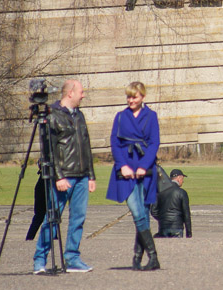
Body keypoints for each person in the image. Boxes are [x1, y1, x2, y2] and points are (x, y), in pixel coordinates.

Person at [34, 79, 97, 274]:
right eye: (81, 91)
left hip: (82, 176)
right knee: (52, 218)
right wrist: (59, 177)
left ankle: (72, 258)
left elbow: (86, 146)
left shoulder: (80, 116)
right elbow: (49, 150)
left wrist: (91, 175)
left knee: (78, 218)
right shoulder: (53, 116)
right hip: (64, 177)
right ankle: (39, 260)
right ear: (70, 93)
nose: (83, 95)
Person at [106, 81, 161, 271]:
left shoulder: (151, 116)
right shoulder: (120, 117)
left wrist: (144, 165)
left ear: (142, 97)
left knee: (144, 213)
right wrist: (123, 166)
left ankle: (138, 257)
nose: (131, 100)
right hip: (126, 170)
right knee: (137, 212)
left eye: (134, 97)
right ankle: (153, 257)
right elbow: (115, 143)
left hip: (145, 170)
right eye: (128, 97)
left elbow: (154, 142)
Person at [155, 169, 192, 238]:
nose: (183, 181)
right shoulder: (182, 192)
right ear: (179, 178)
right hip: (177, 227)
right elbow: (186, 214)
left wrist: (163, 219)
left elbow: (153, 210)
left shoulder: (161, 191)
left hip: (163, 226)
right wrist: (189, 233)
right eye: (182, 179)